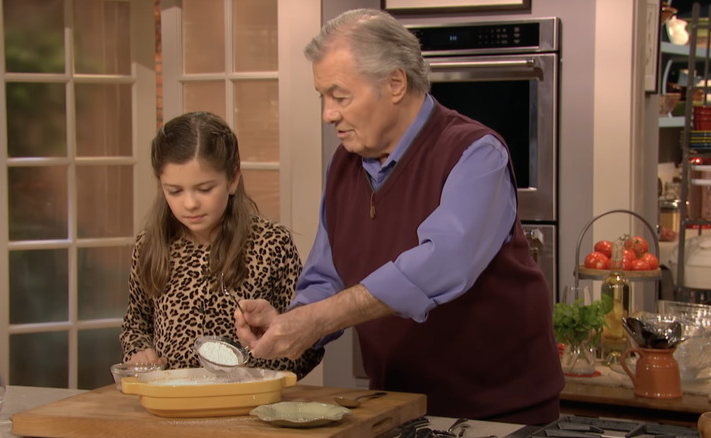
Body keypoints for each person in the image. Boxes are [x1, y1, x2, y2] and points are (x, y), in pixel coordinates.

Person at [234, 9, 564, 424]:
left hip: (500, 415)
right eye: (323, 97)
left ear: (394, 83)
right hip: (399, 408)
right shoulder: (343, 165)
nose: (328, 114)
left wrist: (318, 318)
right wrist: (291, 323)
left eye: (340, 96)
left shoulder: (476, 152)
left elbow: (441, 262)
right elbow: (327, 277)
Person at [119, 111, 323, 380]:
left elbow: (308, 345)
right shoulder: (150, 247)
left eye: (204, 189)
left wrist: (261, 364)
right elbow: (135, 325)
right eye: (175, 191)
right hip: (173, 404)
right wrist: (139, 352)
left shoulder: (271, 244)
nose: (190, 203)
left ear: (232, 180)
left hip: (250, 406)